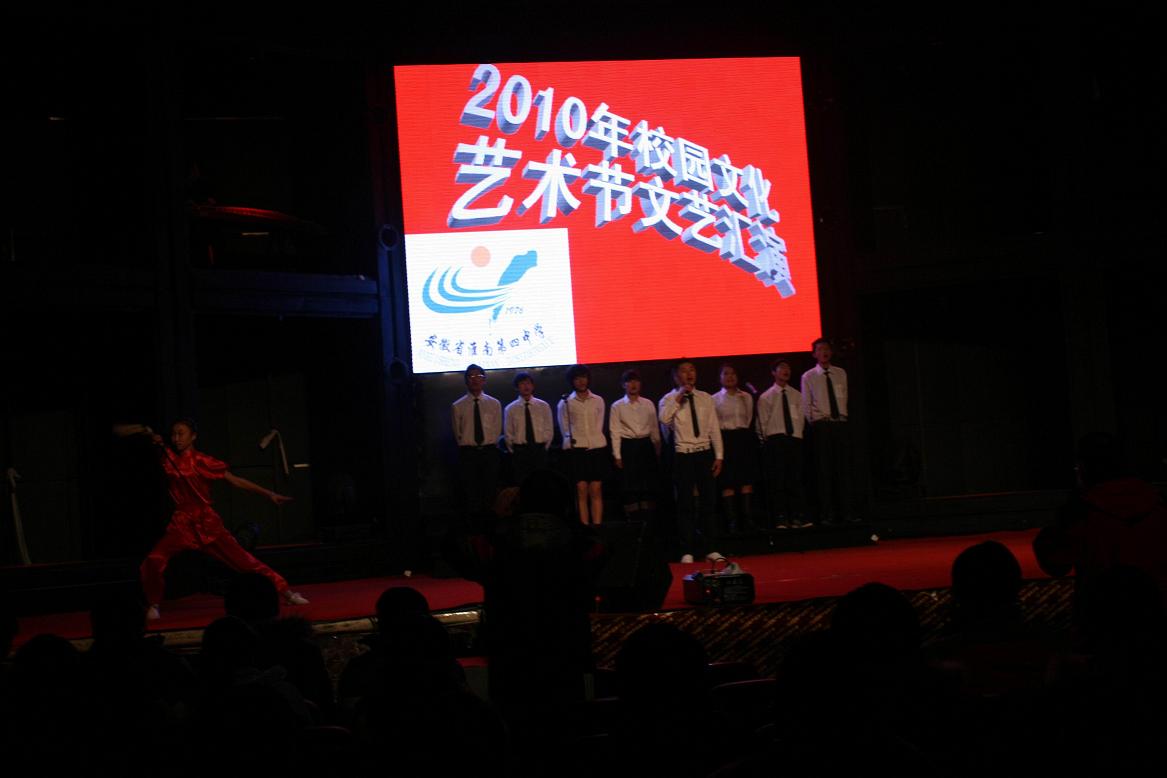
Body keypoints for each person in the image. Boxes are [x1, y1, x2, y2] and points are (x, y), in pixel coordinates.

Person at [139, 418, 308, 621]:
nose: (176, 438)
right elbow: (161, 453)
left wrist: (268, 493)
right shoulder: (168, 459)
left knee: (245, 561)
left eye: (181, 433)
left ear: (193, 436)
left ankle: (286, 592)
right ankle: (153, 603)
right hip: (182, 523)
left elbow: (236, 481)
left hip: (207, 523)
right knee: (154, 560)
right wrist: (154, 439)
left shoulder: (203, 461)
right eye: (174, 434)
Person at [659, 360, 723, 563]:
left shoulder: (705, 397)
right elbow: (664, 419)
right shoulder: (668, 399)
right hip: (683, 454)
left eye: (692, 370)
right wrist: (679, 396)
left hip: (704, 453)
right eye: (684, 371)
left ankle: (710, 548)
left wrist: (719, 456)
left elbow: (714, 427)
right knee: (685, 503)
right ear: (676, 376)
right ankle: (686, 549)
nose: (689, 374)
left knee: (708, 502)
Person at [801, 338, 855, 525]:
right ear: (814, 354)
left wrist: (842, 417)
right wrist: (814, 423)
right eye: (820, 349)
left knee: (843, 469)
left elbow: (844, 396)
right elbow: (806, 404)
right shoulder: (808, 376)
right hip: (821, 426)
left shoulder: (840, 373)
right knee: (824, 470)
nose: (824, 352)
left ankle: (847, 512)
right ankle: (827, 514)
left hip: (839, 424)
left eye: (826, 349)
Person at [757, 358, 810, 529]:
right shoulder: (766, 396)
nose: (786, 371)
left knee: (795, 479)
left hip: (794, 440)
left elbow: (800, 418)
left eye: (788, 368)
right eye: (781, 368)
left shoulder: (796, 395)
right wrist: (767, 441)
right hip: (775, 440)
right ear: (774, 372)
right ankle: (781, 517)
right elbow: (762, 423)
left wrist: (797, 436)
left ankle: (798, 516)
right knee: (778, 480)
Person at [450, 363, 503, 523]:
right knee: (470, 490)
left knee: (490, 489)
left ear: (484, 380)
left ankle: (489, 525)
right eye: (471, 376)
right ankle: (474, 527)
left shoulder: (494, 403)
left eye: (478, 376)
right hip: (468, 453)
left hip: (489, 451)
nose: (475, 379)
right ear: (466, 380)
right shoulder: (458, 405)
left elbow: (497, 428)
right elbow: (457, 433)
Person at [557, 364, 609, 525]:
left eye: (584, 377)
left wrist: (594, 440)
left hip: (596, 449)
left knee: (596, 489)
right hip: (577, 450)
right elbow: (565, 429)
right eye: (577, 378)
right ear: (572, 381)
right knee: (581, 489)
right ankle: (584, 528)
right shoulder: (565, 402)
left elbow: (599, 425)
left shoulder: (598, 400)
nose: (581, 381)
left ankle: (597, 527)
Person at [712, 363, 759, 534]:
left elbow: (749, 418)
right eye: (726, 374)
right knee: (728, 481)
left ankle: (748, 520)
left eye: (733, 373)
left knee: (746, 479)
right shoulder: (714, 399)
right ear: (720, 378)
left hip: (743, 439)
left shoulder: (746, 396)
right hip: (725, 439)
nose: (730, 376)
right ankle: (732, 522)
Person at [609, 369, 661, 520]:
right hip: (628, 446)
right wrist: (617, 455)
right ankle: (633, 519)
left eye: (636, 381)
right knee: (630, 484)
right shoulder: (617, 406)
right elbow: (615, 432)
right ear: (623, 385)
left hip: (646, 446)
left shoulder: (648, 403)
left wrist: (658, 450)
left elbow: (654, 428)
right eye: (629, 381)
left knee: (647, 483)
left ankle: (648, 519)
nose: (633, 384)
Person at [503, 371, 554, 488]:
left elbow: (549, 429)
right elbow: (508, 433)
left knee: (540, 483)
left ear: (533, 386)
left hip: (539, 450)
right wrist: (515, 450)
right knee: (522, 484)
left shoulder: (543, 406)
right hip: (520, 451)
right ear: (517, 387)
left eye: (528, 383)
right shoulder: (510, 408)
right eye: (522, 383)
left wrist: (543, 448)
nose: (526, 386)